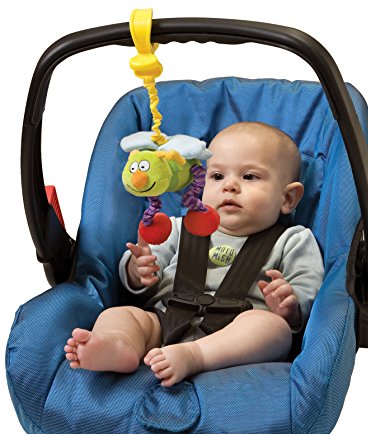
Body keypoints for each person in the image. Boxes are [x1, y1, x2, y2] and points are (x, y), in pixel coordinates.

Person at [64, 122, 324, 387]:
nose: (230, 186)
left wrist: (290, 306)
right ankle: (119, 345)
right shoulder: (176, 228)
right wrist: (138, 270)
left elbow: (310, 289)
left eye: (249, 177)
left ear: (288, 198)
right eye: (217, 176)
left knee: (273, 329)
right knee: (119, 315)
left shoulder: (292, 240)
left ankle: (195, 355)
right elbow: (146, 272)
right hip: (166, 319)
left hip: (237, 335)